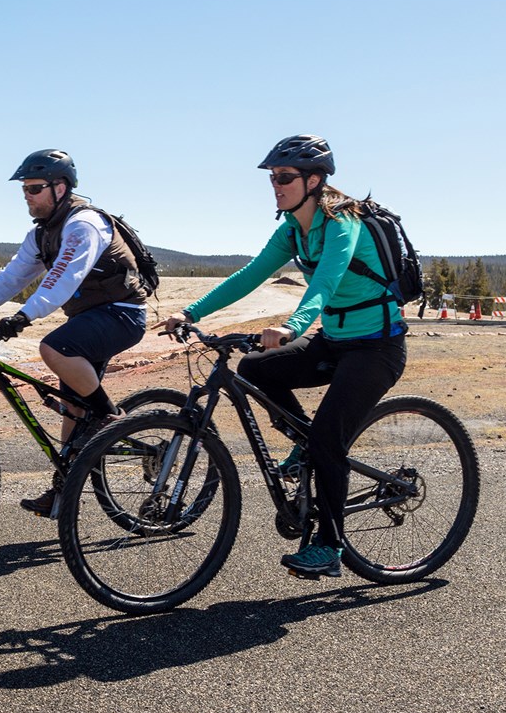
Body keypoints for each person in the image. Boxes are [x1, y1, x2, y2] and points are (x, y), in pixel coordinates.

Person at [156, 134, 408, 578]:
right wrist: (189, 311)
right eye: (273, 177)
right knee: (256, 368)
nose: (276, 184)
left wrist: (292, 326)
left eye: (285, 177)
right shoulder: (293, 228)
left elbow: (324, 283)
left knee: (330, 438)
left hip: (377, 347)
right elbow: (250, 274)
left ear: (314, 180)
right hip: (335, 339)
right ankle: (305, 445)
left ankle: (330, 547)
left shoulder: (341, 223)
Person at [0, 149, 149, 518]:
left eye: (35, 188)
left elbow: (63, 277)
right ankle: (62, 492)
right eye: (24, 189)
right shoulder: (42, 234)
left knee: (55, 348)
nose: (27, 195)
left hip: (122, 314)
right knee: (73, 407)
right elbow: (12, 277)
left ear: (61, 187)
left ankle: (109, 418)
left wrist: (22, 318)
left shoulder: (83, 224)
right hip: (89, 319)